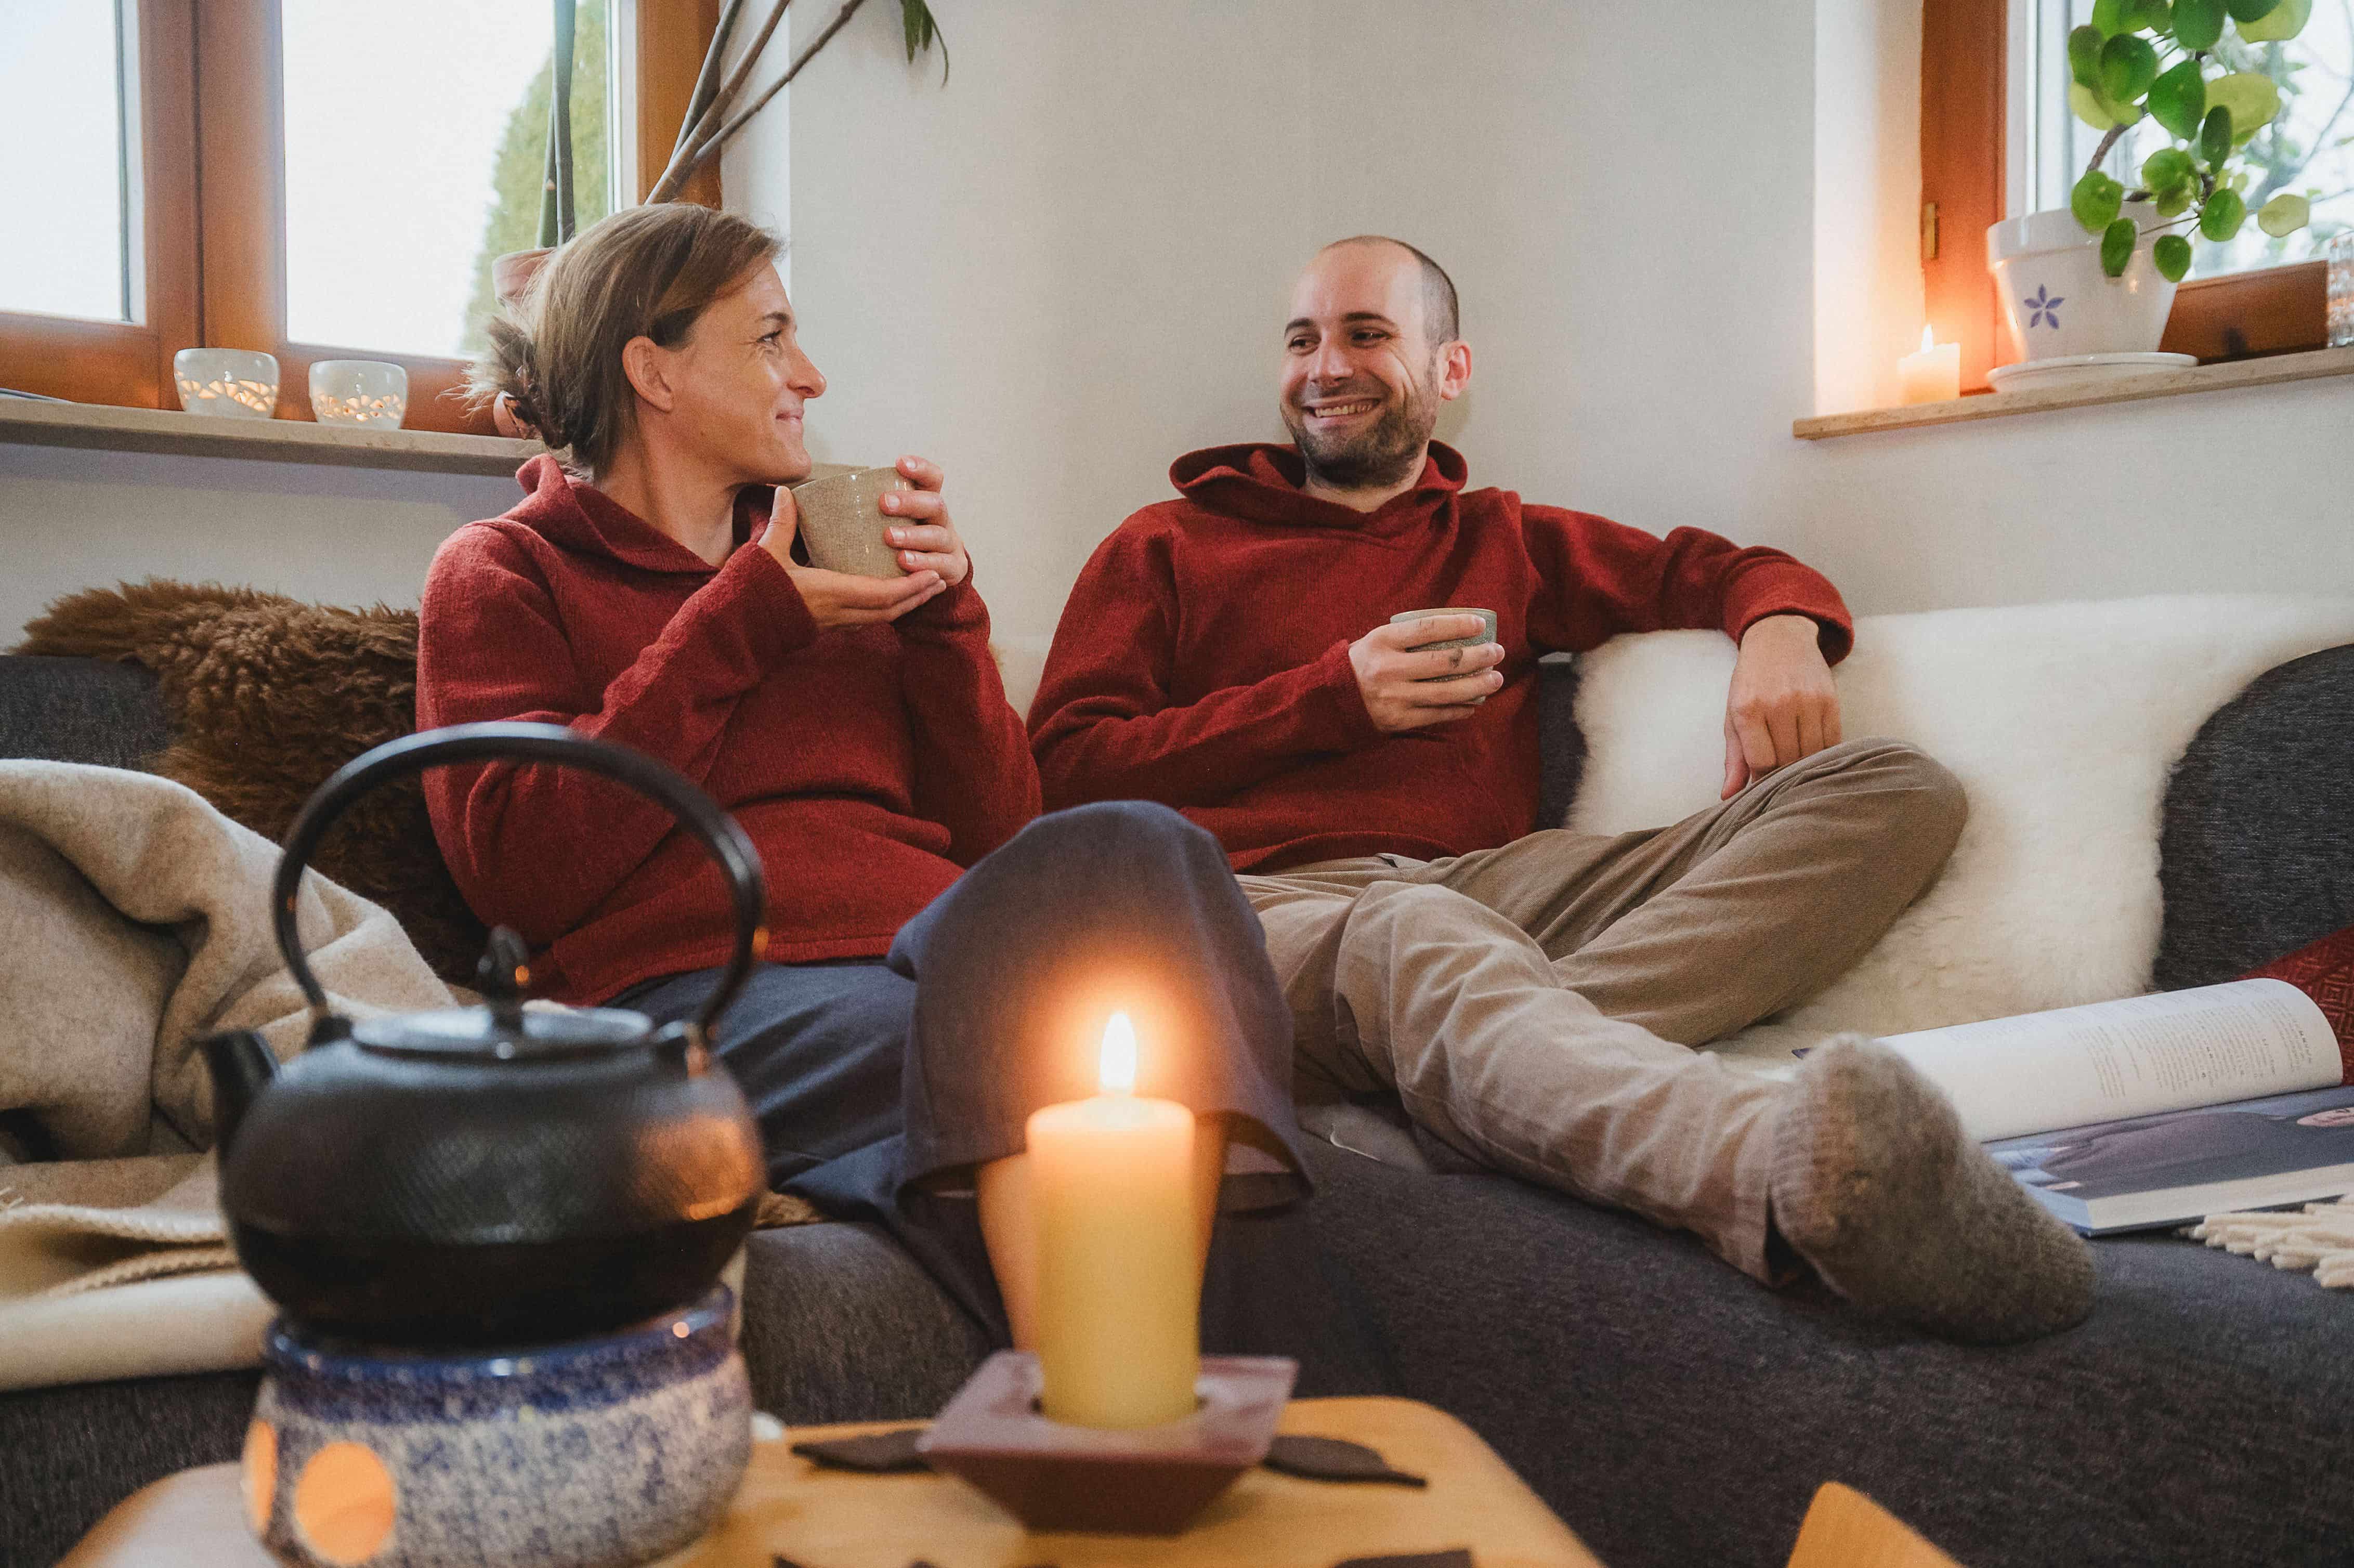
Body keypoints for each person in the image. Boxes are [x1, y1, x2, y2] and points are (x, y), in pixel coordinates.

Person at [1028, 234, 2095, 1343]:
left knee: (1895, 787)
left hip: (1488, 892)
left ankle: (1468, 1081)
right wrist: (1331, 698)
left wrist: (1780, 627)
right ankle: (1777, 1171)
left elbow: (1713, 568)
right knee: (1417, 933)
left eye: (1366, 334)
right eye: (1302, 341)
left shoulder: (1506, 540)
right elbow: (1060, 771)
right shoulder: (1165, 546)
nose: (1324, 367)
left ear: (1450, 369)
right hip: (1248, 906)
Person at [415, 204, 1348, 1369]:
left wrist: (946, 624)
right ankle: (1183, 1416)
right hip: (704, 993)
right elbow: (523, 870)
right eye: (770, 339)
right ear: (653, 371)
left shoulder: (842, 562)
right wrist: (741, 622)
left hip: (935, 954)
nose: (809, 375)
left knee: (1144, 845)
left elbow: (1004, 838)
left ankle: (1124, 1379)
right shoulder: (503, 569)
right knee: (1053, 1062)